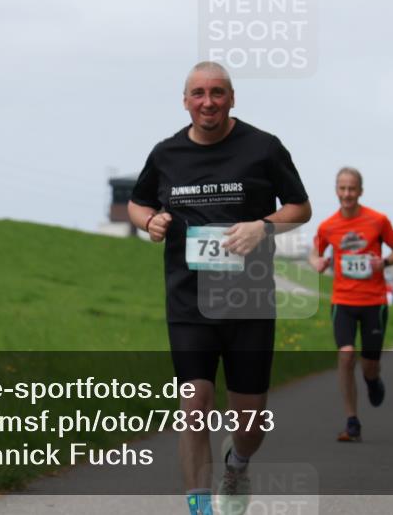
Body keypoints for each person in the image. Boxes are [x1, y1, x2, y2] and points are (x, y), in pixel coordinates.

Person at [128, 61, 312, 515]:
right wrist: (150, 221)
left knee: (248, 420)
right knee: (194, 405)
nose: (207, 101)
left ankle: (239, 461)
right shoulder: (166, 153)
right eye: (198, 94)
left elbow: (300, 207)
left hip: (247, 302)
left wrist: (261, 228)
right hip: (188, 303)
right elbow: (137, 202)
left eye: (217, 93)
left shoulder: (263, 148)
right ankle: (200, 507)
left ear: (232, 98)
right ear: (186, 101)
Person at [310, 167, 393, 442]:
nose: (347, 194)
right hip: (343, 301)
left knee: (369, 365)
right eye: (342, 188)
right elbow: (314, 253)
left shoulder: (378, 220)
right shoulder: (327, 226)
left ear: (360, 191)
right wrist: (317, 262)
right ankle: (352, 421)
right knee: (346, 354)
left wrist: (384, 262)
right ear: (336, 190)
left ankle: (373, 381)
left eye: (352, 188)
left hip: (374, 302)